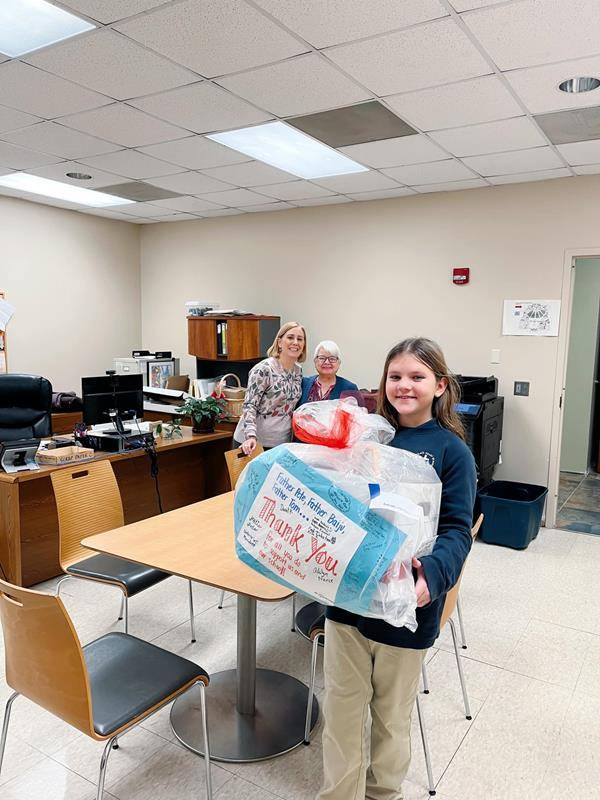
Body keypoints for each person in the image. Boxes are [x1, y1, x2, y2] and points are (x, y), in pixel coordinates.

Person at [317, 337, 476, 800]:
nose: (404, 385)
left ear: (439, 385)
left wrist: (432, 576)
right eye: (395, 376)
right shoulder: (366, 440)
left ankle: (383, 793)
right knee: (341, 714)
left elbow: (458, 530)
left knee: (390, 718)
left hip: (406, 607)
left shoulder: (451, 452)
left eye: (416, 376)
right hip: (348, 601)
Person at [234, 321, 306, 455]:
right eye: (290, 337)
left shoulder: (298, 371)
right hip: (252, 443)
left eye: (300, 339)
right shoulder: (264, 369)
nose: (295, 342)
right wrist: (250, 436)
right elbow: (250, 405)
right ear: (279, 342)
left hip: (281, 443)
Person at [297, 340, 358, 407]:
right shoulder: (302, 383)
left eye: (332, 359)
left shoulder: (350, 388)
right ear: (315, 361)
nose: (327, 362)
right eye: (322, 358)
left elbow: (356, 413)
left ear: (339, 363)